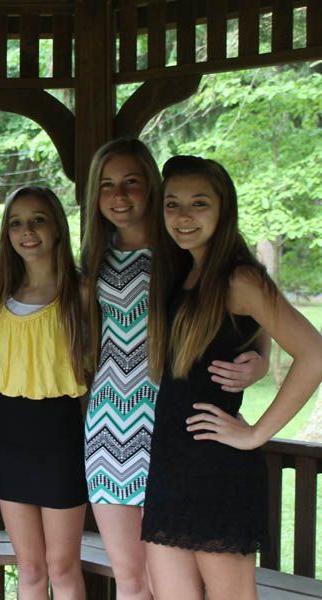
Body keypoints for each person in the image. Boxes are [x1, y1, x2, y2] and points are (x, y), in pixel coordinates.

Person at [79, 139, 268, 599]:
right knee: (132, 579)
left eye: (132, 182)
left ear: (152, 186)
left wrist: (260, 361)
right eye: (107, 185)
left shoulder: (182, 248)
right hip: (108, 427)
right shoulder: (94, 256)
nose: (119, 196)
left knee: (182, 581)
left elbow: (253, 314)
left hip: (174, 427)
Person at [141, 155, 322, 599]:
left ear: (224, 209)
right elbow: (249, 334)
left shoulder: (239, 279)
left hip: (217, 469)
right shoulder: (180, 272)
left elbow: (314, 354)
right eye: (172, 204)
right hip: (168, 464)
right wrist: (258, 356)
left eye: (199, 203)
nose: (184, 216)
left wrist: (256, 433)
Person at [0, 186, 90, 600]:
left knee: (62, 567)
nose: (27, 231)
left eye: (38, 220)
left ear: (58, 228)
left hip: (62, 442)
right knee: (29, 568)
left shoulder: (80, 293)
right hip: (11, 445)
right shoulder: (0, 296)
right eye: (16, 223)